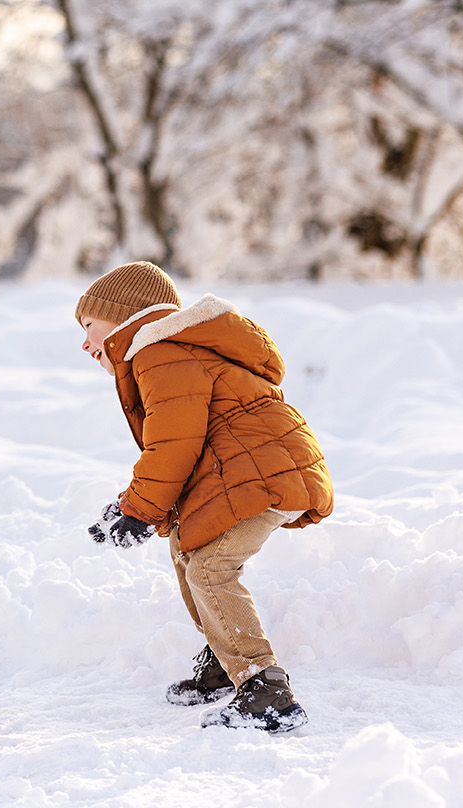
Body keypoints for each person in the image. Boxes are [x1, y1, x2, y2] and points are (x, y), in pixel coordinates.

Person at [77, 261, 334, 733]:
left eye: (90, 326)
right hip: (258, 469)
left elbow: (173, 445)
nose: (86, 343)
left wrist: (136, 509)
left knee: (211, 567)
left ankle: (265, 689)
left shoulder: (160, 354)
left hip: (266, 473)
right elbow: (184, 449)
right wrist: (135, 507)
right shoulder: (169, 352)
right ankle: (224, 658)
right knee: (187, 547)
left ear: (123, 316)